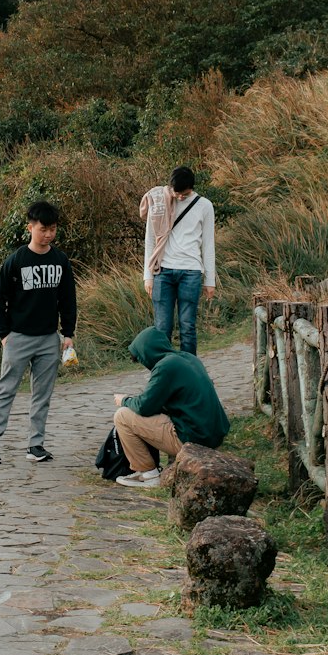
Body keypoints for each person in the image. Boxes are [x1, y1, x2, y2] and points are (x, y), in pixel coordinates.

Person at [0, 199, 76, 464]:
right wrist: (4, 334)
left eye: (53, 229)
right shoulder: (16, 261)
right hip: (18, 338)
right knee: (6, 390)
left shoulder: (60, 261)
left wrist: (67, 333)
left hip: (49, 339)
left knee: (42, 395)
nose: (48, 234)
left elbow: (68, 299)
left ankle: (36, 445)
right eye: (43, 229)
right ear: (30, 228)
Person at [112, 326, 230, 488]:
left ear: (147, 353)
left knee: (123, 416)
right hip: (213, 438)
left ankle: (148, 474)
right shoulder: (188, 358)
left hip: (193, 442)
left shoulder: (165, 367)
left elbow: (144, 407)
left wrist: (124, 400)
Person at [140, 166, 215, 354]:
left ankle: (189, 371)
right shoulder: (158, 202)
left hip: (191, 271)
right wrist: (147, 276)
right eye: (177, 192)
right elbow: (150, 239)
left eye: (184, 193)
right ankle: (164, 371)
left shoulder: (204, 205)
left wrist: (210, 280)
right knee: (162, 328)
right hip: (162, 271)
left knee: (187, 327)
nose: (180, 197)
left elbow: (208, 244)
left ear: (192, 187)